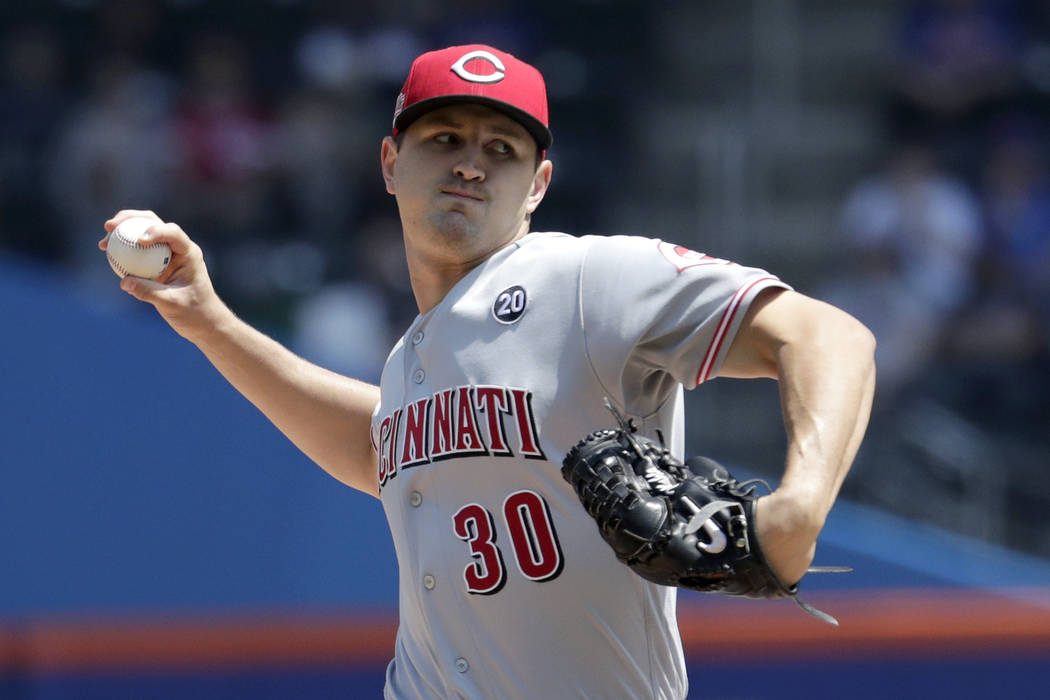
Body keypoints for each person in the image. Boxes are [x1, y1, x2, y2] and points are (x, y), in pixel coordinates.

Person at [100, 45, 876, 700]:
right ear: (390, 162)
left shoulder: (586, 279)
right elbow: (382, 450)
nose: (471, 165)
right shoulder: (413, 357)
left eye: (501, 150)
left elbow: (828, 335)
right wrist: (210, 322)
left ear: (538, 184)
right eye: (445, 138)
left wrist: (801, 503)